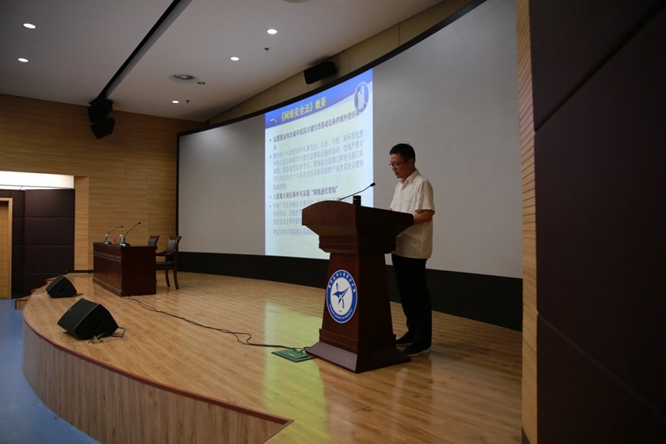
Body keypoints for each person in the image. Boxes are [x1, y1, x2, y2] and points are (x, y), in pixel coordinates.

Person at [388, 143, 435, 357]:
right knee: (406, 296)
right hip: (399, 247)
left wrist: (400, 221)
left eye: (397, 164)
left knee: (417, 296)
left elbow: (426, 214)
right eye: (391, 164)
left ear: (411, 162)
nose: (394, 168)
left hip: (414, 249)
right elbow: (393, 211)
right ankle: (412, 332)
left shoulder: (421, 183)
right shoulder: (400, 186)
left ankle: (422, 340)